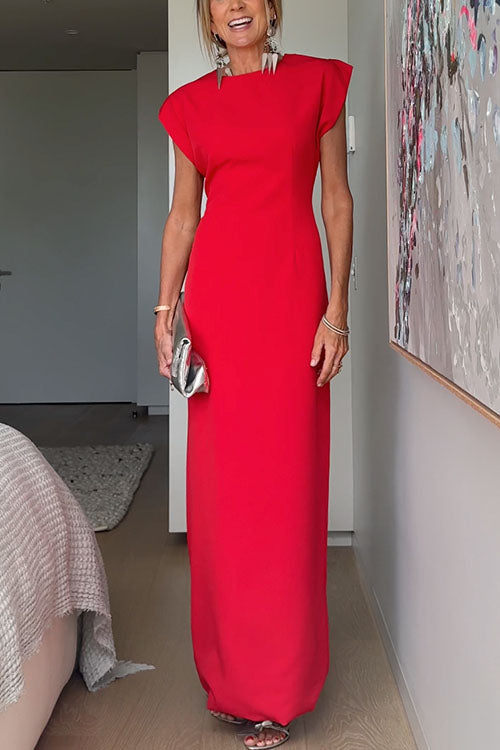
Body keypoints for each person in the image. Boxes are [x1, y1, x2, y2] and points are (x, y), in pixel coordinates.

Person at [154, 1, 353, 747]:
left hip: (294, 305)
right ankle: (233, 679)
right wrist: (165, 310)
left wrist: (337, 310)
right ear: (209, 18)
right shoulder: (190, 107)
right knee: (225, 499)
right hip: (220, 316)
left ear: (271, 8)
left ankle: (280, 688)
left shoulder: (317, 84)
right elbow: (184, 216)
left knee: (286, 493)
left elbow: (336, 198)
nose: (235, 5)